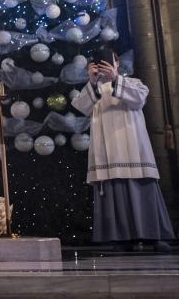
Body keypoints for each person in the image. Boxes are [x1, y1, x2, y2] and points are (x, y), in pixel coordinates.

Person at [72, 48, 175, 253]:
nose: (106, 68)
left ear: (117, 64)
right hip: (107, 149)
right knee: (112, 190)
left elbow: (138, 99)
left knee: (142, 187)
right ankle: (120, 237)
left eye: (111, 63)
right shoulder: (94, 90)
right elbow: (81, 106)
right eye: (100, 65)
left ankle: (154, 237)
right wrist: (92, 82)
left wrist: (115, 78)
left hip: (133, 147)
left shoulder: (133, 83)